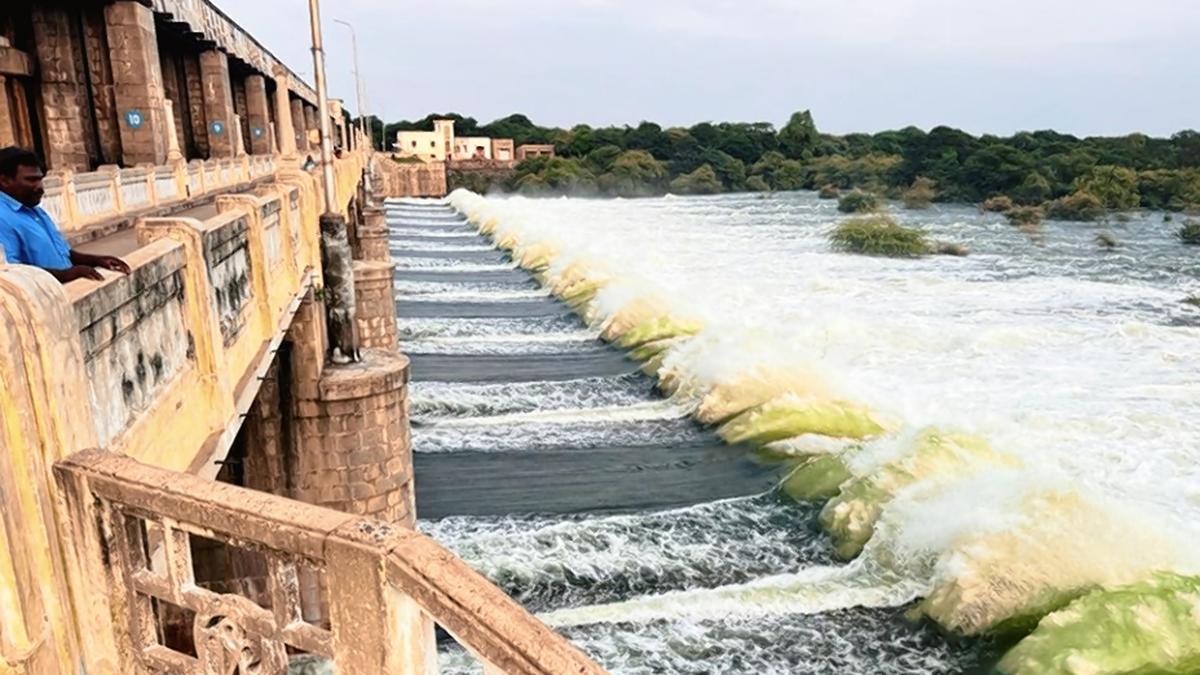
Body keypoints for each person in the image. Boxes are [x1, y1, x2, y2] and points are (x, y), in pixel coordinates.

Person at [0, 146, 129, 282]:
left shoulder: (34, 210)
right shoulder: (3, 218)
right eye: (31, 180)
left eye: (40, 179)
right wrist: (66, 275)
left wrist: (96, 260)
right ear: (5, 181)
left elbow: (63, 253)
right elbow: (11, 272)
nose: (40, 187)